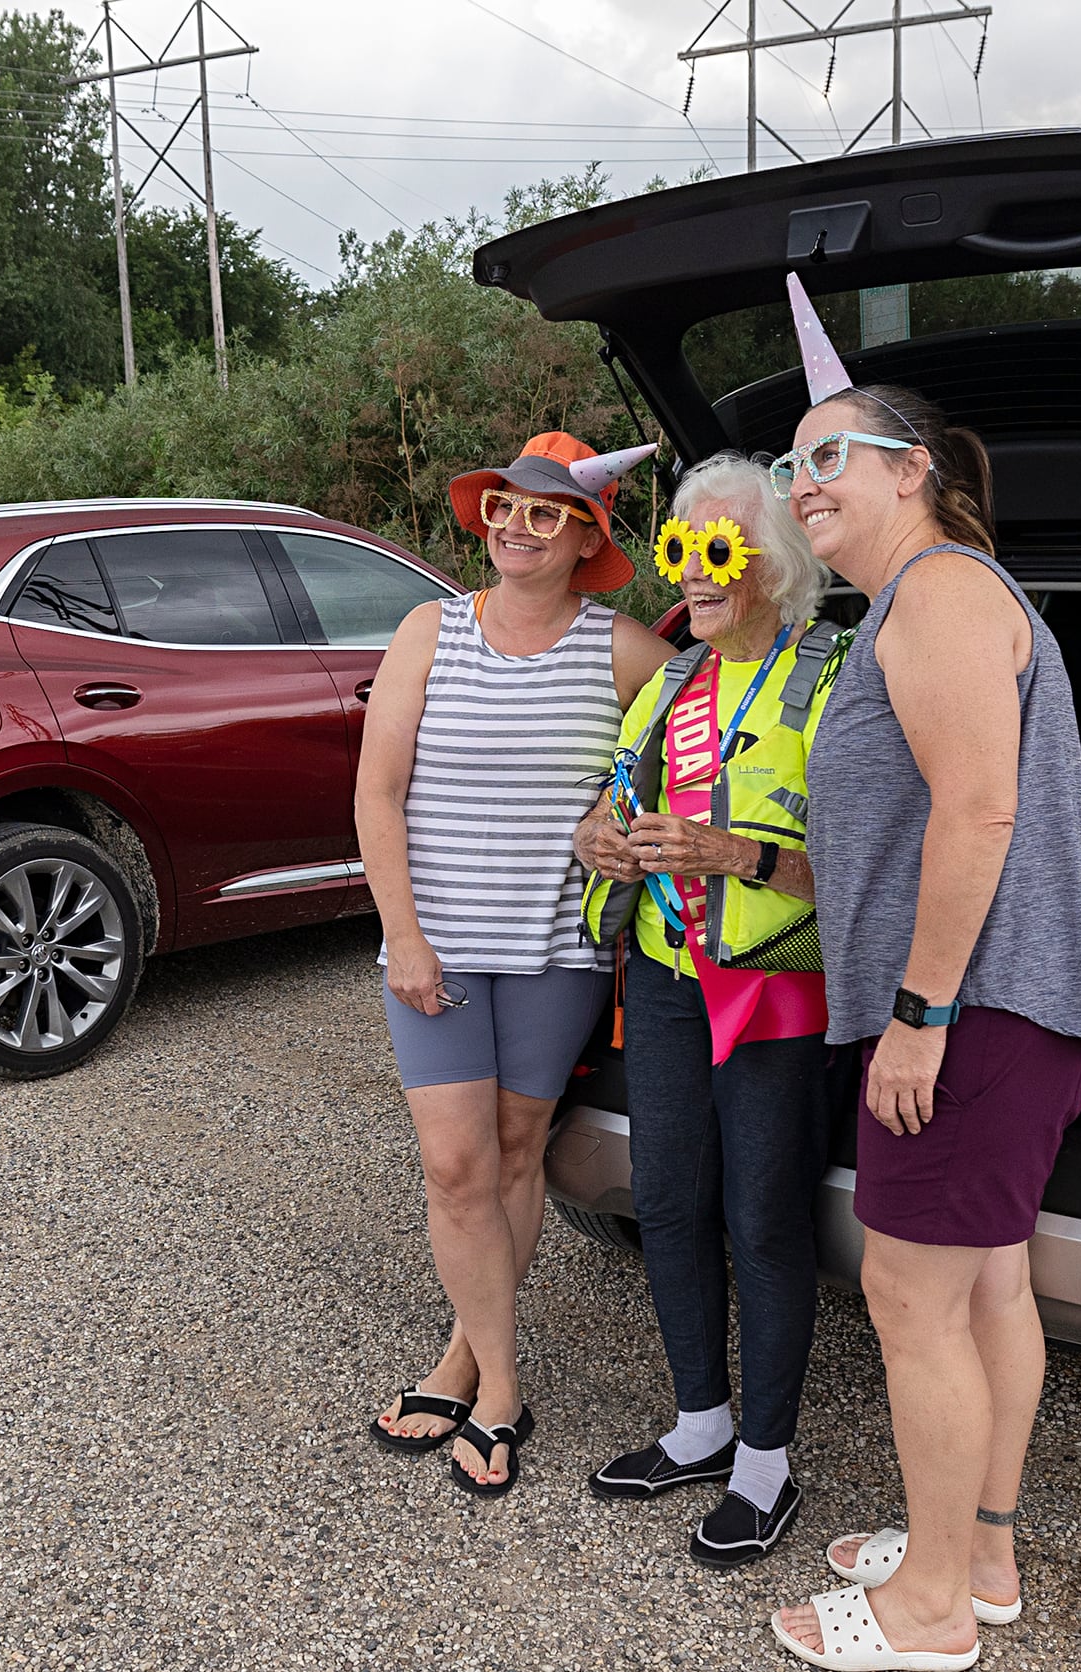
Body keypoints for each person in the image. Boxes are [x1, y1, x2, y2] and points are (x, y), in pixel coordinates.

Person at [766, 374, 1081, 1672]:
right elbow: (903, 830)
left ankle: (926, 1608)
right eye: (788, 463)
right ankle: (973, 1550)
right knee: (980, 1284)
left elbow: (976, 813)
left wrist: (916, 1015)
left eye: (828, 456)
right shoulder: (919, 602)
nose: (802, 484)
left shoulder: (941, 594)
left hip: (971, 1012)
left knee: (907, 1294)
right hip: (998, 1007)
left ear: (908, 468)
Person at [358, 431, 670, 1497]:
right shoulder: (429, 630)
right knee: (452, 1164)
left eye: (545, 512)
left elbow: (696, 737)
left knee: (513, 1148)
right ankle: (502, 1385)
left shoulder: (622, 649)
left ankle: (462, 1356)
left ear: (587, 536)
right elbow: (377, 792)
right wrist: (400, 931)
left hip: (555, 947)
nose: (516, 526)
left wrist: (609, 807)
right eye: (504, 506)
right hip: (434, 945)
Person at [573, 453, 851, 1567]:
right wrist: (596, 835)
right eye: (680, 547)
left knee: (763, 1219)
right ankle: (698, 1423)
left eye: (716, 549)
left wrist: (733, 850)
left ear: (773, 566)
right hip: (666, 976)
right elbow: (612, 796)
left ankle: (764, 1465)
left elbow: (868, 868)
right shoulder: (670, 681)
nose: (689, 570)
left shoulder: (833, 680)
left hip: (775, 989)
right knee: (668, 1201)